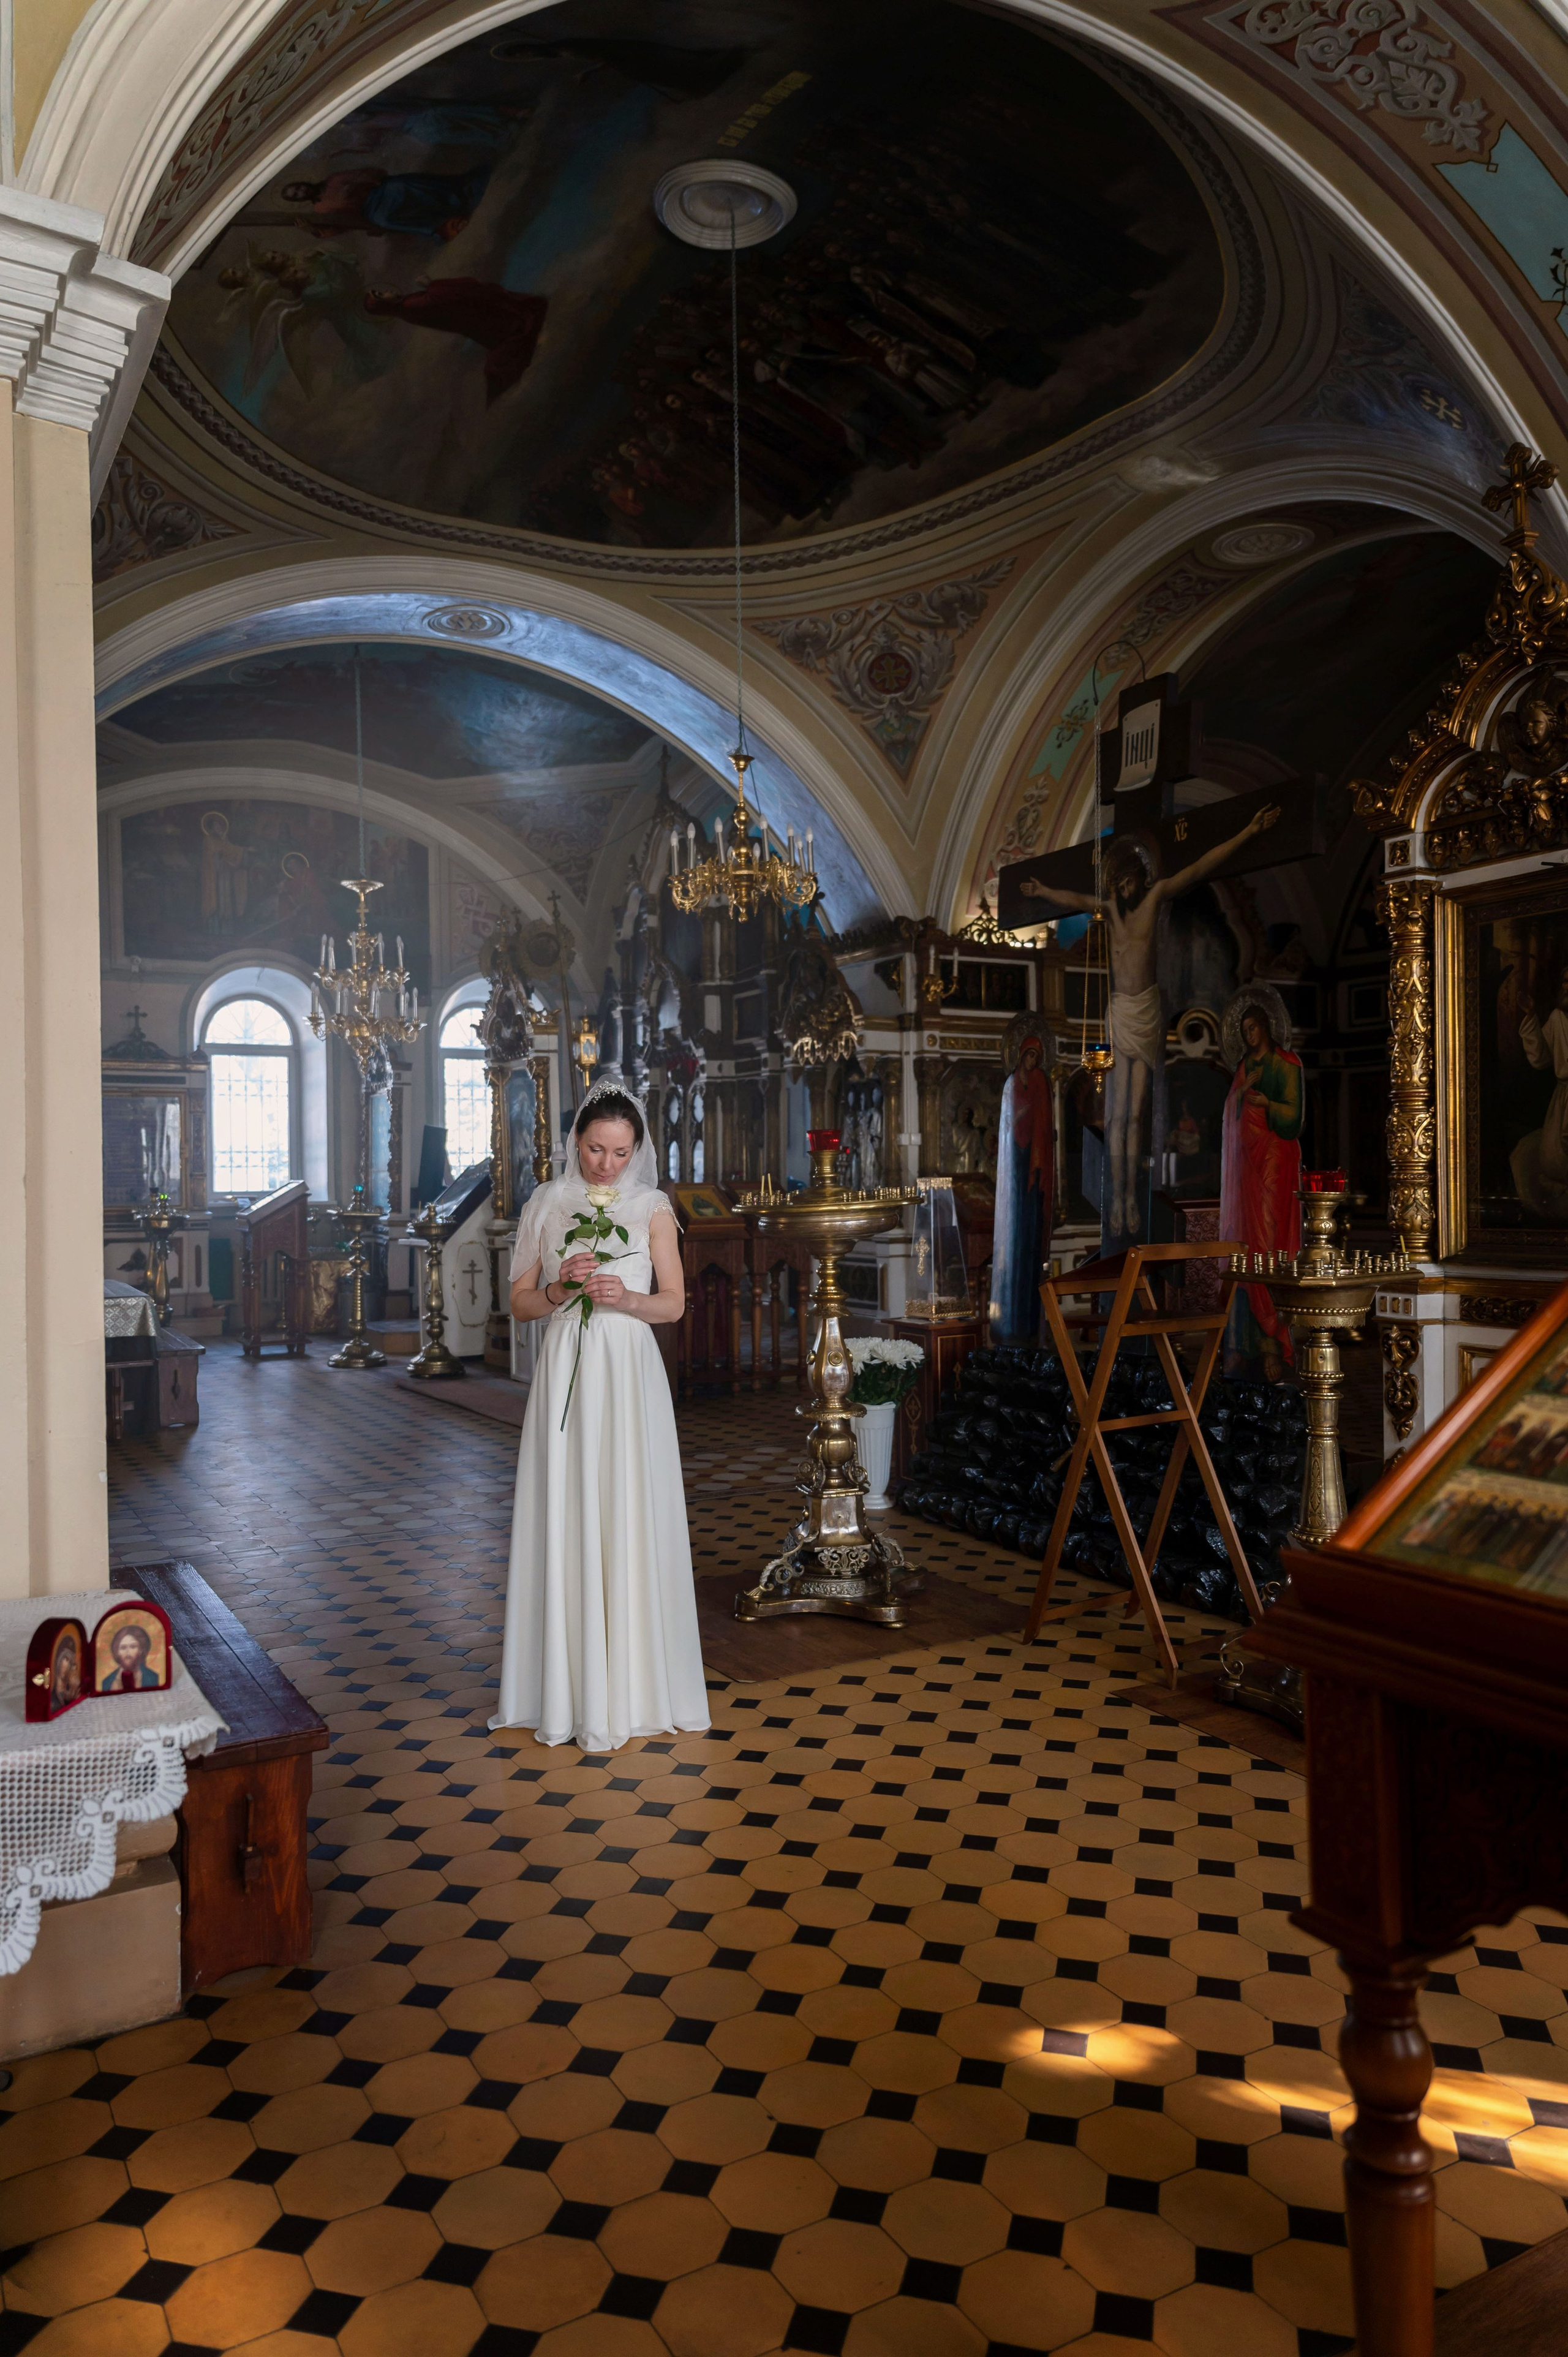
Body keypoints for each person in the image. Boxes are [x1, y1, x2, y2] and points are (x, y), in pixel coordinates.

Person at [492, 1082, 708, 1753]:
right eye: (594, 1148)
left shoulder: (653, 1209)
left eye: (619, 1151)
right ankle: (563, 1684)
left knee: (627, 1504)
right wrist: (561, 1288)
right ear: (575, 1141)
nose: (605, 1164)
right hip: (567, 1363)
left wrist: (626, 1298)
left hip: (629, 1366)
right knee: (569, 1505)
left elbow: (674, 1303)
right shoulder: (548, 1202)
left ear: (637, 1149)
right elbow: (521, 1302)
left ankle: (639, 1684)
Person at [1018, 805, 1279, 1237]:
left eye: (1129, 879)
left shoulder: (1156, 899)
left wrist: (1249, 828)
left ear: (1142, 878)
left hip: (1145, 1010)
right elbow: (1074, 900)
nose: (1123, 887)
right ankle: (1115, 1198)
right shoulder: (1108, 909)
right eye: (1118, 882)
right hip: (1120, 1010)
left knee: (1136, 1116)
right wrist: (1043, 890)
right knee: (1116, 1117)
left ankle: (1131, 1199)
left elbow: (1198, 867)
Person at [1219, 1001, 1304, 1380]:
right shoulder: (1243, 1068)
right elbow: (1230, 1111)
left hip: (1275, 1163)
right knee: (1247, 1248)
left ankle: (1275, 1341)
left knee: (1269, 1245)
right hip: (1248, 1170)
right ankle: (1247, 1345)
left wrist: (1268, 1103)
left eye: (1254, 1028)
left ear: (1267, 1028)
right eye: (1245, 1031)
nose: (1250, 1035)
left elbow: (1294, 1117)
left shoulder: (1287, 1064)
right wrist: (1240, 1095)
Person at [992, 1035, 1054, 1341]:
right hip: (1017, 1167)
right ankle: (1009, 1326)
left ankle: (1031, 1327)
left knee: (1031, 1240)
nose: (1031, 1062)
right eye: (1028, 1056)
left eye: (1035, 1057)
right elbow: (1010, 1123)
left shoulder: (1040, 1082)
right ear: (1019, 1057)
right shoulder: (1012, 1084)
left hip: (1036, 1167)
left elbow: (1042, 1122)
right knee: (1015, 1240)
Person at [101, 1621, 161, 1692]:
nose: (128, 1653)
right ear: (117, 1652)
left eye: (133, 1647)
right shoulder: (107, 1682)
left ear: (141, 1650)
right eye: (123, 1648)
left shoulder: (154, 1678)